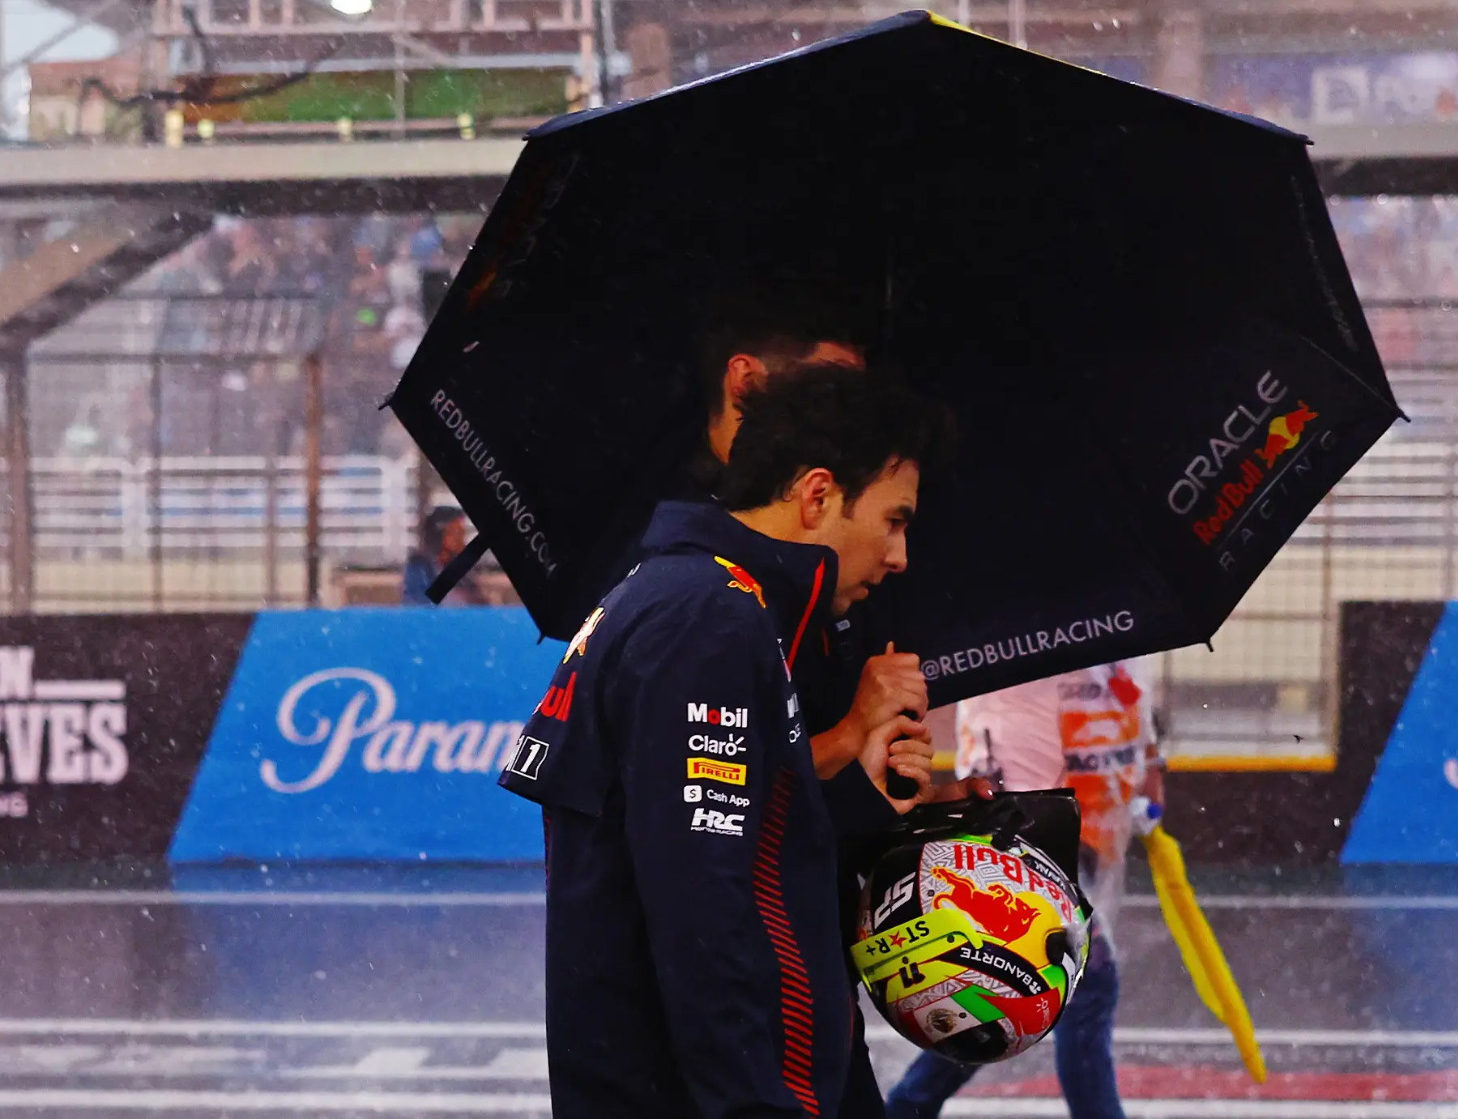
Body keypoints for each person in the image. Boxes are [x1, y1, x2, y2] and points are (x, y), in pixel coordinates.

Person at [504, 366, 956, 1117]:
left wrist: (877, 801)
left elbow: (751, 841)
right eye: (895, 520)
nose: (900, 554)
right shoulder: (708, 618)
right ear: (817, 495)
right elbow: (701, 905)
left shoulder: (705, 599)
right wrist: (755, 1103)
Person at [883, 661, 1165, 1119]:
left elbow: (1128, 683)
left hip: (1067, 827)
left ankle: (907, 1107)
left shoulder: (1091, 633)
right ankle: (908, 1107)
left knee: (1002, 997)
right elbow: (1017, 764)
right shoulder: (1022, 645)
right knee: (1079, 984)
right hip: (1028, 830)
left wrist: (1149, 760)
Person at [401, 505, 485, 605]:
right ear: (438, 534)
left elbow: (479, 603)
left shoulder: (461, 568)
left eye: (462, 533)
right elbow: (421, 604)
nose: (461, 539)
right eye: (456, 532)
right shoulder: (418, 566)